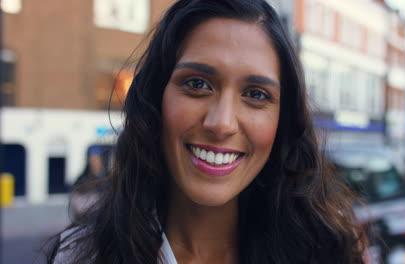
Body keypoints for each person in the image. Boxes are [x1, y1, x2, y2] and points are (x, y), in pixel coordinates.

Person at [46, 0, 367, 263]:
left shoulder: (329, 253)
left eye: (256, 94)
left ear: (282, 121)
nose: (222, 123)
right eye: (197, 84)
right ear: (157, 97)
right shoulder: (82, 256)